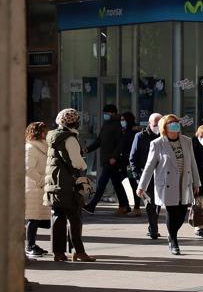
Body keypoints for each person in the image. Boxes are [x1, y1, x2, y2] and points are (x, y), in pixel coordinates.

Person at [136, 114, 201, 255]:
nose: (175, 125)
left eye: (176, 123)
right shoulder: (157, 143)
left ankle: (172, 234)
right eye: (171, 123)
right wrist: (142, 186)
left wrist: (197, 182)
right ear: (164, 127)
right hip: (167, 184)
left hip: (184, 182)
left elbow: (193, 163)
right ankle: (173, 240)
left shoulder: (187, 141)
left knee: (182, 212)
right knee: (171, 212)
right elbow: (149, 166)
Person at [44, 108, 96, 262]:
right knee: (74, 217)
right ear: (75, 122)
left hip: (55, 182)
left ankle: (58, 253)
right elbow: (76, 162)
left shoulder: (53, 136)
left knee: (59, 217)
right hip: (68, 183)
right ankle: (79, 251)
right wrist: (84, 167)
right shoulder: (70, 138)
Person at [83, 104, 130, 215]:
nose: (105, 115)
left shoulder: (118, 125)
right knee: (117, 183)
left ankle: (92, 206)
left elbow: (120, 143)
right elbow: (99, 141)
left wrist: (114, 156)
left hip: (112, 160)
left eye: (107, 113)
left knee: (102, 183)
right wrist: (86, 150)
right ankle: (125, 205)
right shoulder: (106, 124)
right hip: (107, 159)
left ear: (113, 113)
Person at [130, 113, 163, 239]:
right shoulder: (140, 136)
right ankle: (153, 229)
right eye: (155, 124)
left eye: (159, 125)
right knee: (150, 203)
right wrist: (138, 177)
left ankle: (152, 227)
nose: (157, 127)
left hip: (161, 175)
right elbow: (133, 158)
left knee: (158, 202)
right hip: (146, 175)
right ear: (149, 123)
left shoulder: (164, 136)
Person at [24, 122, 51, 257]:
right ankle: (30, 246)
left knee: (36, 217)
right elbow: (28, 168)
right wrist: (41, 180)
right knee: (32, 218)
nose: (46, 135)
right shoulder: (30, 148)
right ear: (40, 133)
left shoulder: (41, 147)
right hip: (33, 187)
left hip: (38, 187)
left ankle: (33, 243)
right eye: (45, 132)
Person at [118, 112, 142, 217]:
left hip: (130, 163)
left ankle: (136, 208)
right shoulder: (126, 131)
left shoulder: (133, 132)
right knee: (119, 181)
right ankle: (126, 205)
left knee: (133, 184)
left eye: (123, 119)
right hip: (125, 162)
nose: (122, 122)